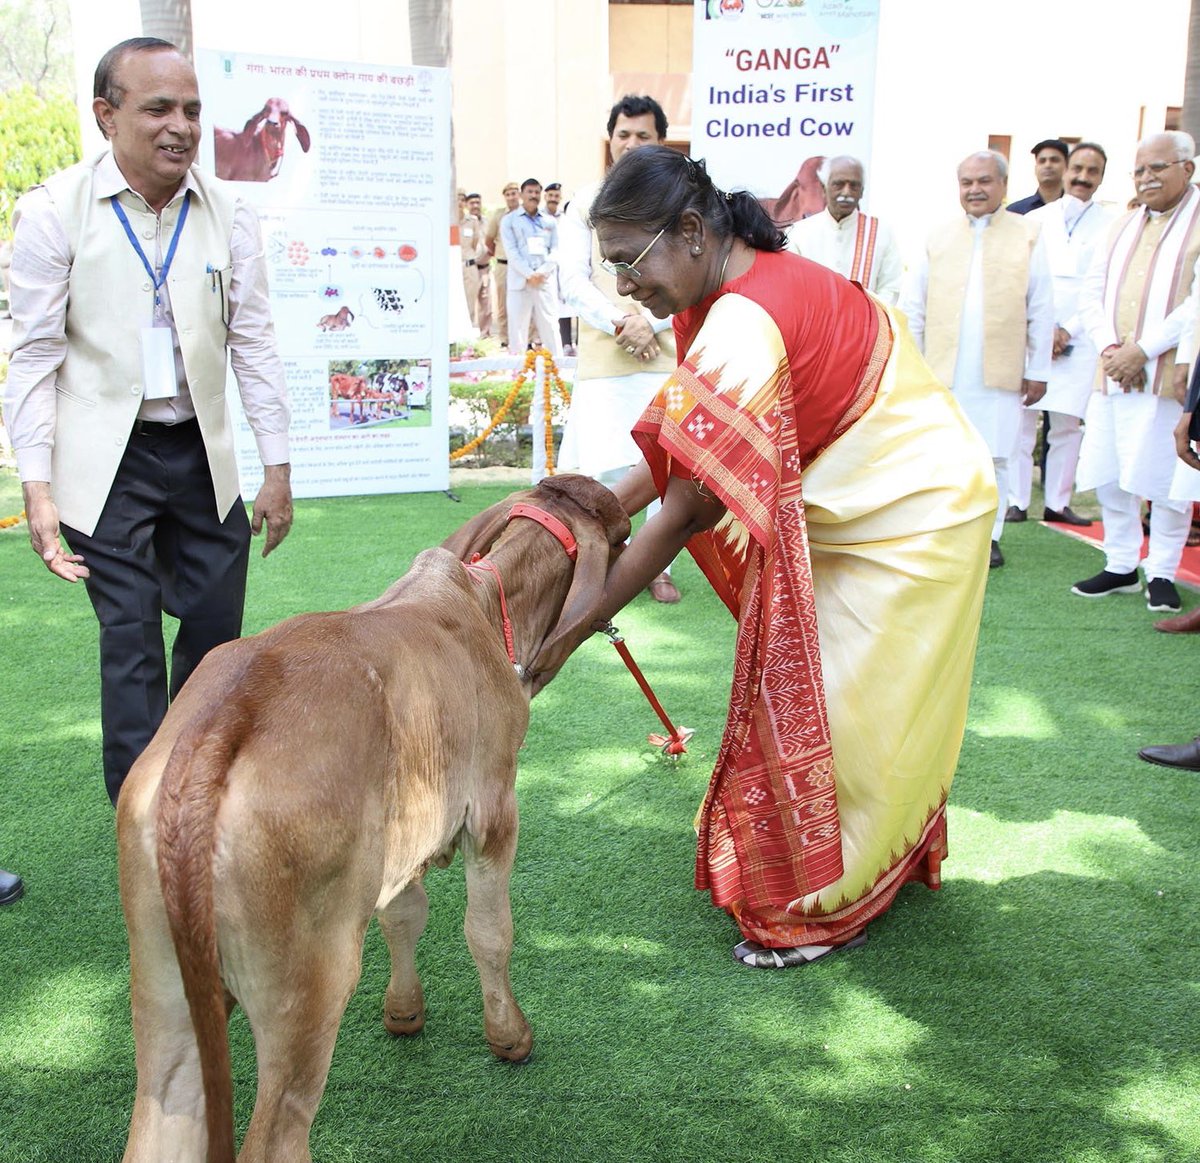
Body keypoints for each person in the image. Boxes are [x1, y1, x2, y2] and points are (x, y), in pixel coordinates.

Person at [536, 145, 996, 969]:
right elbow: (686, 453)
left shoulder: (744, 318)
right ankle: (852, 863)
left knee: (854, 713)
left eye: (628, 262)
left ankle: (826, 907)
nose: (623, 288)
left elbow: (685, 508)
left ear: (689, 230)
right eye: (611, 269)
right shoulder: (714, 290)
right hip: (860, 490)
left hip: (918, 511)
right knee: (839, 698)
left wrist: (572, 630)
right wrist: (587, 505)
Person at [2, 37, 292, 805]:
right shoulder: (51, 213)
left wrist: (278, 466)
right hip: (106, 460)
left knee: (214, 633)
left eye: (193, 110)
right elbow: (31, 356)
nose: (181, 126)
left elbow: (254, 341)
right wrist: (36, 485)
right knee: (129, 639)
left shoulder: (231, 213)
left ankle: (203, 797)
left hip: (205, 453)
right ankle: (143, 816)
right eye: (158, 107)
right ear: (107, 115)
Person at [900, 150, 1054, 569]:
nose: (975, 190)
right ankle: (943, 533)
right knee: (943, 456)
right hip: (941, 371)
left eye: (984, 181)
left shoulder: (1029, 234)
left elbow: (1041, 308)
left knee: (996, 456)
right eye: (967, 182)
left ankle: (990, 537)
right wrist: (912, 366)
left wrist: (1038, 370)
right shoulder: (938, 235)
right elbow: (914, 307)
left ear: (1003, 185)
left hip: (1000, 372)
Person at [558, 94, 682, 603]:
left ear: (660, 141)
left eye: (644, 136)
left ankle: (659, 566)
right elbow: (571, 280)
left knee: (664, 464)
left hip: (666, 351)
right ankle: (595, 557)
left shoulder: (678, 202)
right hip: (608, 353)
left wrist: (652, 323)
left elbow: (694, 273)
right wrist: (622, 321)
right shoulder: (585, 203)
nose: (632, 145)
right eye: (624, 135)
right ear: (610, 140)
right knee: (602, 463)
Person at [1073, 131, 1200, 614]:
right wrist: (1110, 348)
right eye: (1140, 170)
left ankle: (1162, 570)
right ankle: (1121, 562)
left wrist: (1142, 351)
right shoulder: (1121, 224)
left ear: (1187, 169)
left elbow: (1196, 305)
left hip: (1168, 373)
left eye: (1158, 168)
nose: (1147, 179)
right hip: (1112, 371)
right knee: (1108, 468)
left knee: (1167, 476)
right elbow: (1091, 290)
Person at [1007, 143, 1116, 525]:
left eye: (1094, 171)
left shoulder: (1111, 224)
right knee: (1020, 419)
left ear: (1102, 177)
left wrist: (1069, 327)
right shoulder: (1036, 218)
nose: (1084, 178)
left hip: (1082, 332)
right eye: (1079, 169)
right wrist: (1046, 326)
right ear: (1067, 170)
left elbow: (1102, 285)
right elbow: (1025, 276)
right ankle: (1015, 500)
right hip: (1036, 329)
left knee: (1067, 424)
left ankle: (1057, 501)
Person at [783, 154, 904, 305]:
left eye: (854, 186)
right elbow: (790, 287)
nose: (846, 192)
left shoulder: (880, 232)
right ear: (823, 188)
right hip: (815, 324)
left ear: (862, 191)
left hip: (866, 325)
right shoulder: (799, 233)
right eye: (838, 184)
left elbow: (891, 288)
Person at [500, 178, 562, 358]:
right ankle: (518, 373)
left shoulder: (550, 221)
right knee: (518, 327)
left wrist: (541, 272)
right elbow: (511, 252)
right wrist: (529, 274)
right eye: (530, 192)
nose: (533, 196)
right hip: (520, 281)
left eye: (536, 192)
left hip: (544, 281)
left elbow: (556, 250)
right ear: (521, 194)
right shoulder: (509, 221)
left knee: (550, 325)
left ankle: (557, 368)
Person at [484, 182, 521, 348]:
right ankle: (504, 338)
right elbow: (488, 240)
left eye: (514, 193)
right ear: (505, 197)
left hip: (522, 267)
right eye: (508, 194)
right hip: (503, 266)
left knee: (525, 303)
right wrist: (498, 254)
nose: (512, 197)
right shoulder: (499, 216)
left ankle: (527, 338)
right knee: (502, 304)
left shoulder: (526, 214)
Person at [1007, 138, 1069, 215]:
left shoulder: (1075, 210)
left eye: (1054, 160)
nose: (1047, 165)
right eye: (1042, 161)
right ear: (1035, 168)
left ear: (1066, 166)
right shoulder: (1015, 212)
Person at [459, 191, 491, 337]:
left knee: (479, 305)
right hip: (459, 267)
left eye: (461, 198)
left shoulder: (475, 222)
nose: (475, 206)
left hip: (476, 267)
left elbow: (476, 243)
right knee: (461, 303)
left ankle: (479, 336)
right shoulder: (451, 220)